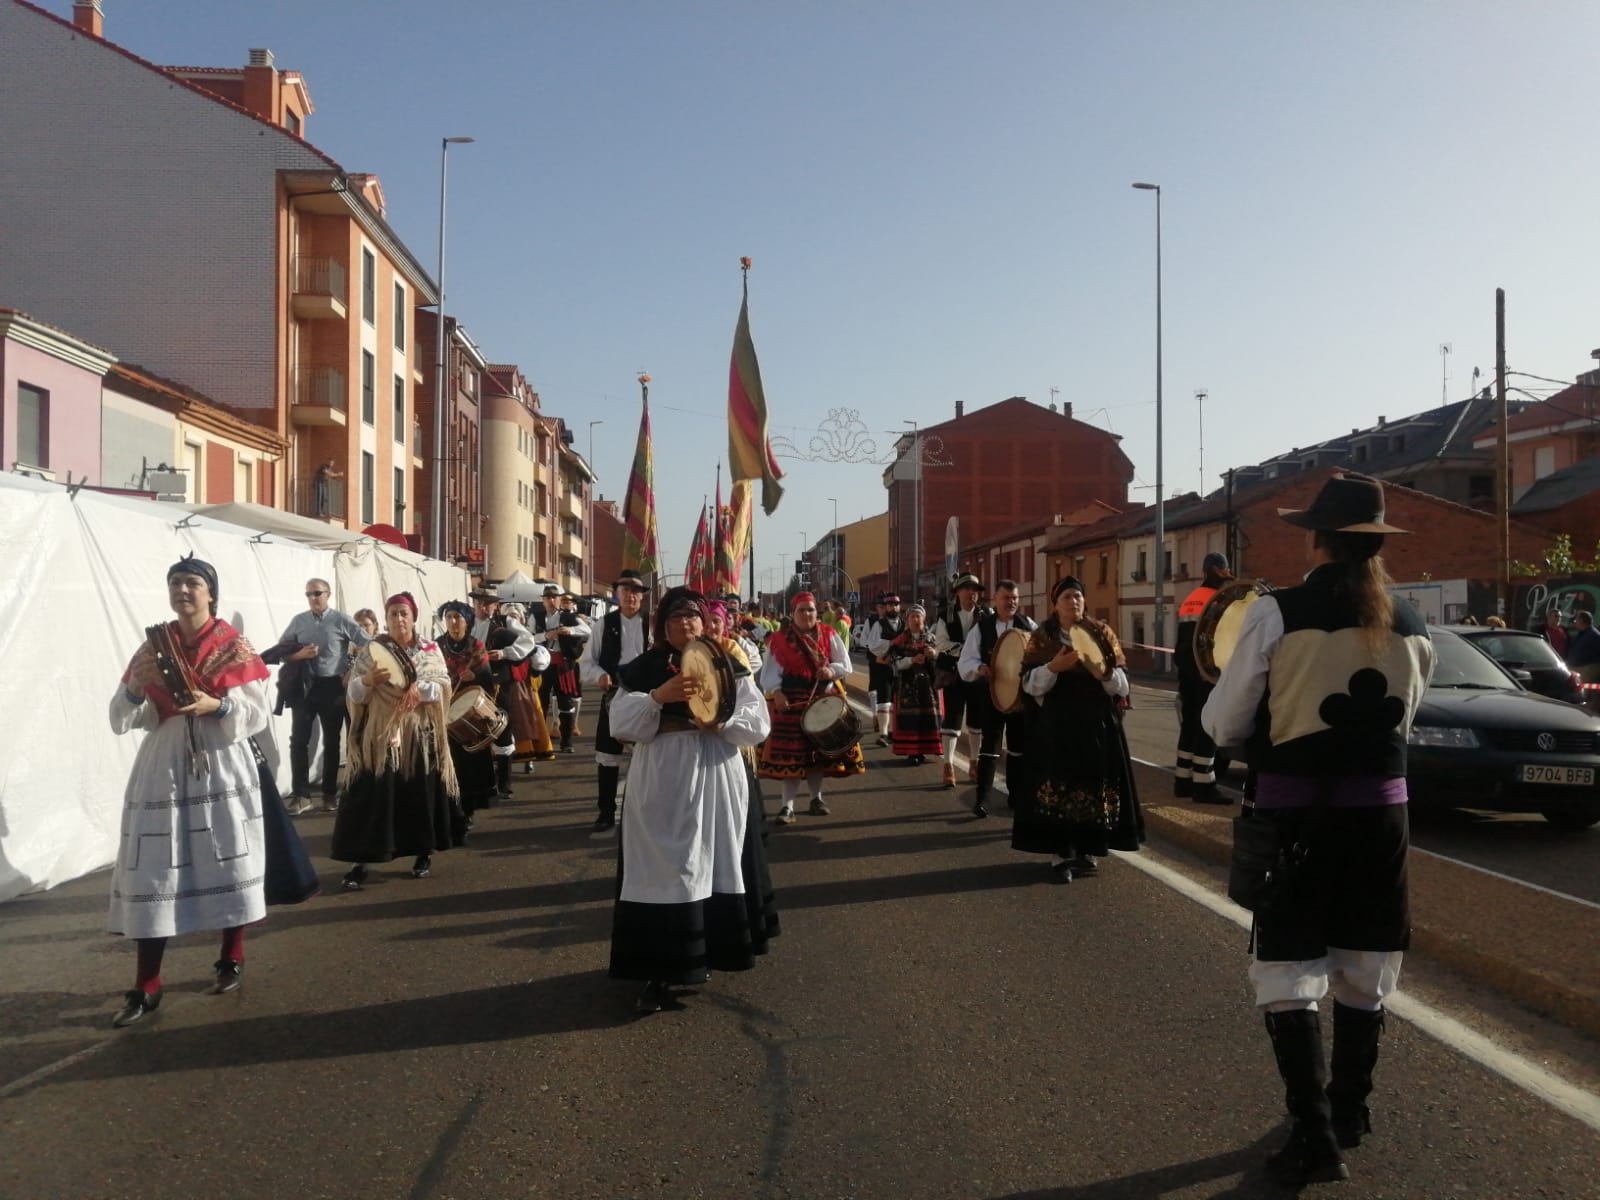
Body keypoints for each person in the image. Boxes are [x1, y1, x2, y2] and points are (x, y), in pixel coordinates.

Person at [1202, 474, 1434, 1187]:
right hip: (1382, 818)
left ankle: (1315, 1135)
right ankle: (1352, 1110)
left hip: (1296, 813)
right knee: (1366, 965)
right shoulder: (1415, 624)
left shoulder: (1276, 612)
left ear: (1318, 538)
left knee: (1288, 970)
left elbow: (1224, 723)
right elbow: (1407, 721)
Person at [108, 556, 272, 1027]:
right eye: (176, 583)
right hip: (163, 763)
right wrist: (138, 691)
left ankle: (231, 954)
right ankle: (146, 982)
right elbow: (122, 716)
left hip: (220, 761)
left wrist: (216, 705)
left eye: (193, 583)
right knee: (157, 867)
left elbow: (258, 713)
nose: (184, 590)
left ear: (211, 593)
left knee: (228, 856)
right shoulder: (153, 647)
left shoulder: (232, 646)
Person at [606, 588, 775, 1014]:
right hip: (663, 777)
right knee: (667, 866)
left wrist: (718, 716)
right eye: (676, 617)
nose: (686, 624)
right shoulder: (643, 668)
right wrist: (659, 697)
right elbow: (620, 722)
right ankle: (657, 970)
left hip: (716, 772)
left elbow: (758, 723)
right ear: (661, 626)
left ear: (705, 622)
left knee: (714, 861)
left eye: (692, 616)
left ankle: (710, 954)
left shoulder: (728, 665)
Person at [1011, 576, 1143, 882]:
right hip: (1058, 726)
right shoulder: (1043, 637)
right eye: (1068, 597)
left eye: (1078, 596)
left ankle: (1086, 849)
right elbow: (1029, 685)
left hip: (1096, 725)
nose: (1075, 601)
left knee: (1093, 785)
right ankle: (1060, 854)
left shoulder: (1102, 633)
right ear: (1055, 604)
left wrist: (1103, 673)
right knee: (1060, 788)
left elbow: (1122, 686)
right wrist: (1052, 668)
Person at [333, 592, 462, 889]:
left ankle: (421, 853)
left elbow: (443, 686)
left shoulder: (429, 649)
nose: (398, 619)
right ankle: (360, 860)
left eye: (404, 613)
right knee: (370, 795)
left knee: (418, 795)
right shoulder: (373, 649)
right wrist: (367, 682)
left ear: (414, 617)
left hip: (418, 733)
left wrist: (420, 688)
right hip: (379, 735)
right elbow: (354, 694)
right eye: (393, 614)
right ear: (386, 619)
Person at [757, 591, 864, 824]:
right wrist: (777, 692)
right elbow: (769, 673)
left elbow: (844, 663)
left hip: (822, 698)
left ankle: (816, 798)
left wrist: (831, 671)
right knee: (792, 758)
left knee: (816, 756)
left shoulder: (829, 633)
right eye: (802, 610)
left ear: (818, 613)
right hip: (792, 700)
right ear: (793, 613)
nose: (807, 614)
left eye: (811, 610)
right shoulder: (779, 639)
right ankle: (787, 806)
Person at [274, 579, 370, 814]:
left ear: (328, 594)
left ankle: (329, 794)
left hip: (332, 687)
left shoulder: (341, 620)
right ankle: (301, 795)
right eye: (308, 594)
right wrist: (300, 654)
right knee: (298, 740)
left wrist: (351, 669)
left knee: (331, 741)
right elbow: (282, 650)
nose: (313, 598)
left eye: (317, 593)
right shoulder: (299, 621)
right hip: (306, 686)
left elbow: (368, 644)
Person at [581, 569, 652, 835]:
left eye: (635, 591)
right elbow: (588, 662)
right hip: (615, 693)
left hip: (649, 696)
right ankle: (606, 812)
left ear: (642, 597)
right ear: (617, 595)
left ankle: (648, 812)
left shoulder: (653, 623)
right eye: (625, 591)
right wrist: (600, 676)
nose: (630, 596)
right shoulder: (604, 624)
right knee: (608, 756)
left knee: (650, 754)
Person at [958, 579, 1037, 818]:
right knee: (989, 749)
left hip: (1019, 698)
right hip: (991, 695)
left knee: (1017, 750)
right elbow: (966, 661)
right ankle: (982, 799)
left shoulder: (1029, 625)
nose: (1011, 602)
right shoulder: (982, 628)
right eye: (1006, 598)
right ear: (995, 599)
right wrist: (980, 668)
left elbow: (1042, 652)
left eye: (1014, 598)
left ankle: (1015, 796)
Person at [472, 585, 552, 794]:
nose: (482, 607)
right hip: (475, 684)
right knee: (477, 732)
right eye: (479, 603)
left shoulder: (504, 622)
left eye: (487, 603)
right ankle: (485, 781)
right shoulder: (468, 624)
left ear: (495, 606)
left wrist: (506, 653)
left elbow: (528, 641)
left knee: (502, 728)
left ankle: (505, 783)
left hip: (500, 684)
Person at [1174, 552, 1234, 805]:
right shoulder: (1219, 599)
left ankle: (1182, 780)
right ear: (1219, 570)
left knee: (1189, 723)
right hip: (1207, 669)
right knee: (1207, 725)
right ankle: (1204, 784)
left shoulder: (1192, 598)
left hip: (1187, 667)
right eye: (1225, 570)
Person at [436, 600, 497, 824]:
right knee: (447, 762)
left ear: (467, 621)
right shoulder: (436, 647)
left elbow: (488, 684)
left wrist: (476, 677)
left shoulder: (477, 647)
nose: (453, 622)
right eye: (449, 617)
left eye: (457, 617)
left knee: (470, 764)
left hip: (468, 716)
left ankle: (467, 810)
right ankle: (449, 808)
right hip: (443, 712)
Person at [930, 573, 985, 788]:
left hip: (977, 676)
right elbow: (941, 643)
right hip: (953, 674)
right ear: (957, 593)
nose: (972, 593)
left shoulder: (986, 615)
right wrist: (967, 652)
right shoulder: (946, 615)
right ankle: (948, 765)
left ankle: (974, 763)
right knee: (952, 719)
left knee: (976, 721)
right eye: (967, 588)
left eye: (975, 589)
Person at [888, 604, 942, 766]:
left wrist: (934, 654)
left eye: (919, 616)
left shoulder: (932, 639)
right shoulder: (900, 641)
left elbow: (942, 658)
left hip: (928, 687)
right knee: (910, 719)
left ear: (924, 619)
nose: (916, 620)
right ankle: (912, 752)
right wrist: (911, 660)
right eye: (912, 617)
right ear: (907, 620)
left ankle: (924, 749)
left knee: (927, 718)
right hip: (907, 687)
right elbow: (894, 663)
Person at [862, 593, 905, 746]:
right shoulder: (879, 625)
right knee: (883, 700)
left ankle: (894, 732)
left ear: (899, 606)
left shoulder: (904, 624)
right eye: (890, 605)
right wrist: (891, 642)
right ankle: (883, 733)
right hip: (883, 666)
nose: (893, 607)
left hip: (901, 667)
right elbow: (873, 645)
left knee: (896, 700)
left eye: (896, 604)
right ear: (885, 607)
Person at [1564, 610, 1600, 679]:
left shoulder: (1595, 636)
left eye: (1576, 619)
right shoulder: (1581, 634)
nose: (1574, 621)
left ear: (1581, 621)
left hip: (1586, 673)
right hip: (1576, 670)